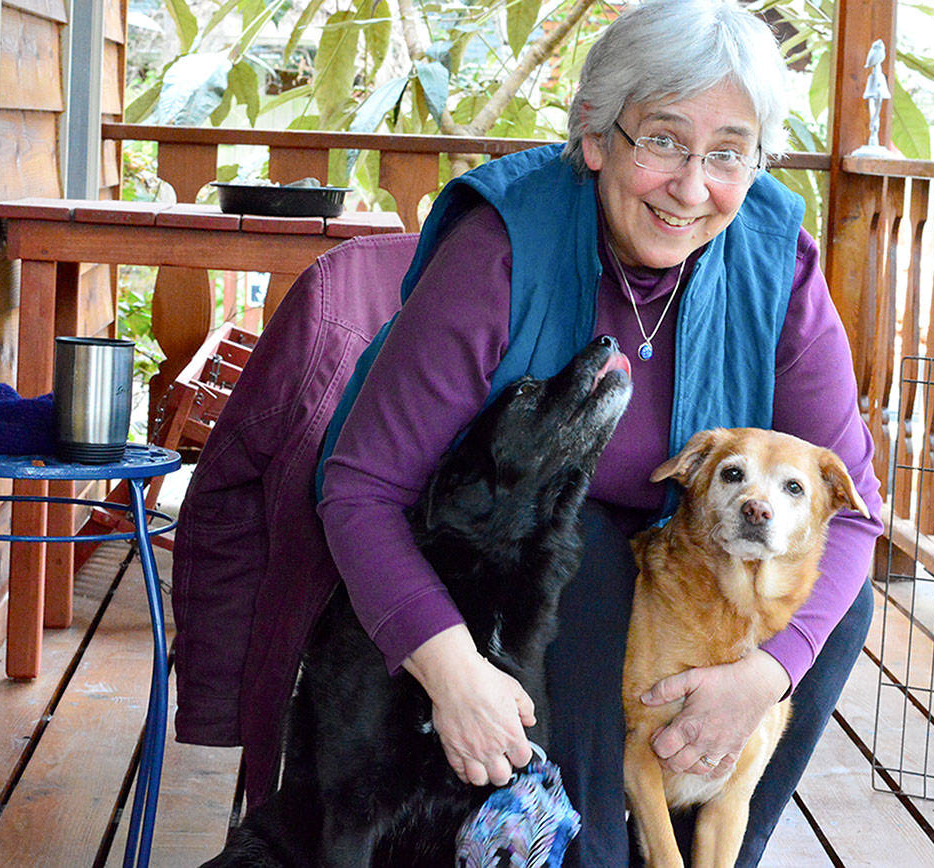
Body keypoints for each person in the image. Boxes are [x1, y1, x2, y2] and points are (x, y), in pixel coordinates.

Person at [315, 1, 884, 865]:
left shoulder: (779, 260)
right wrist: (452, 671)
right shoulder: (502, 246)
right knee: (580, 559)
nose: (692, 187)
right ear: (594, 137)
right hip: (526, 558)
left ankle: (727, 847)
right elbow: (360, 488)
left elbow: (856, 512)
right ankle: (596, 849)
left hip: (679, 556)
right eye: (662, 139)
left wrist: (765, 678)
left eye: (727, 153)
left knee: (834, 610)